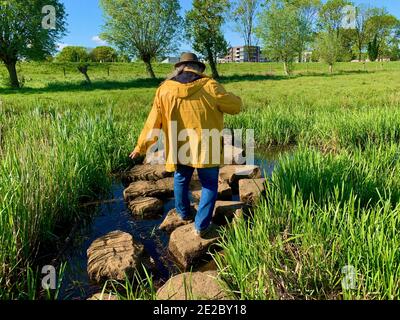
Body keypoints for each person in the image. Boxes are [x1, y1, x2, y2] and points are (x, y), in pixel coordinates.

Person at [130, 52, 242, 237]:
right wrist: (235, 98)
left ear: (180, 67)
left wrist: (141, 146)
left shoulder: (164, 89)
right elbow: (235, 107)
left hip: (179, 144)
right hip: (207, 145)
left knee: (181, 179)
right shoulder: (210, 85)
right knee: (209, 185)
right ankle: (201, 226)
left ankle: (183, 213)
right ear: (198, 67)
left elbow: (153, 121)